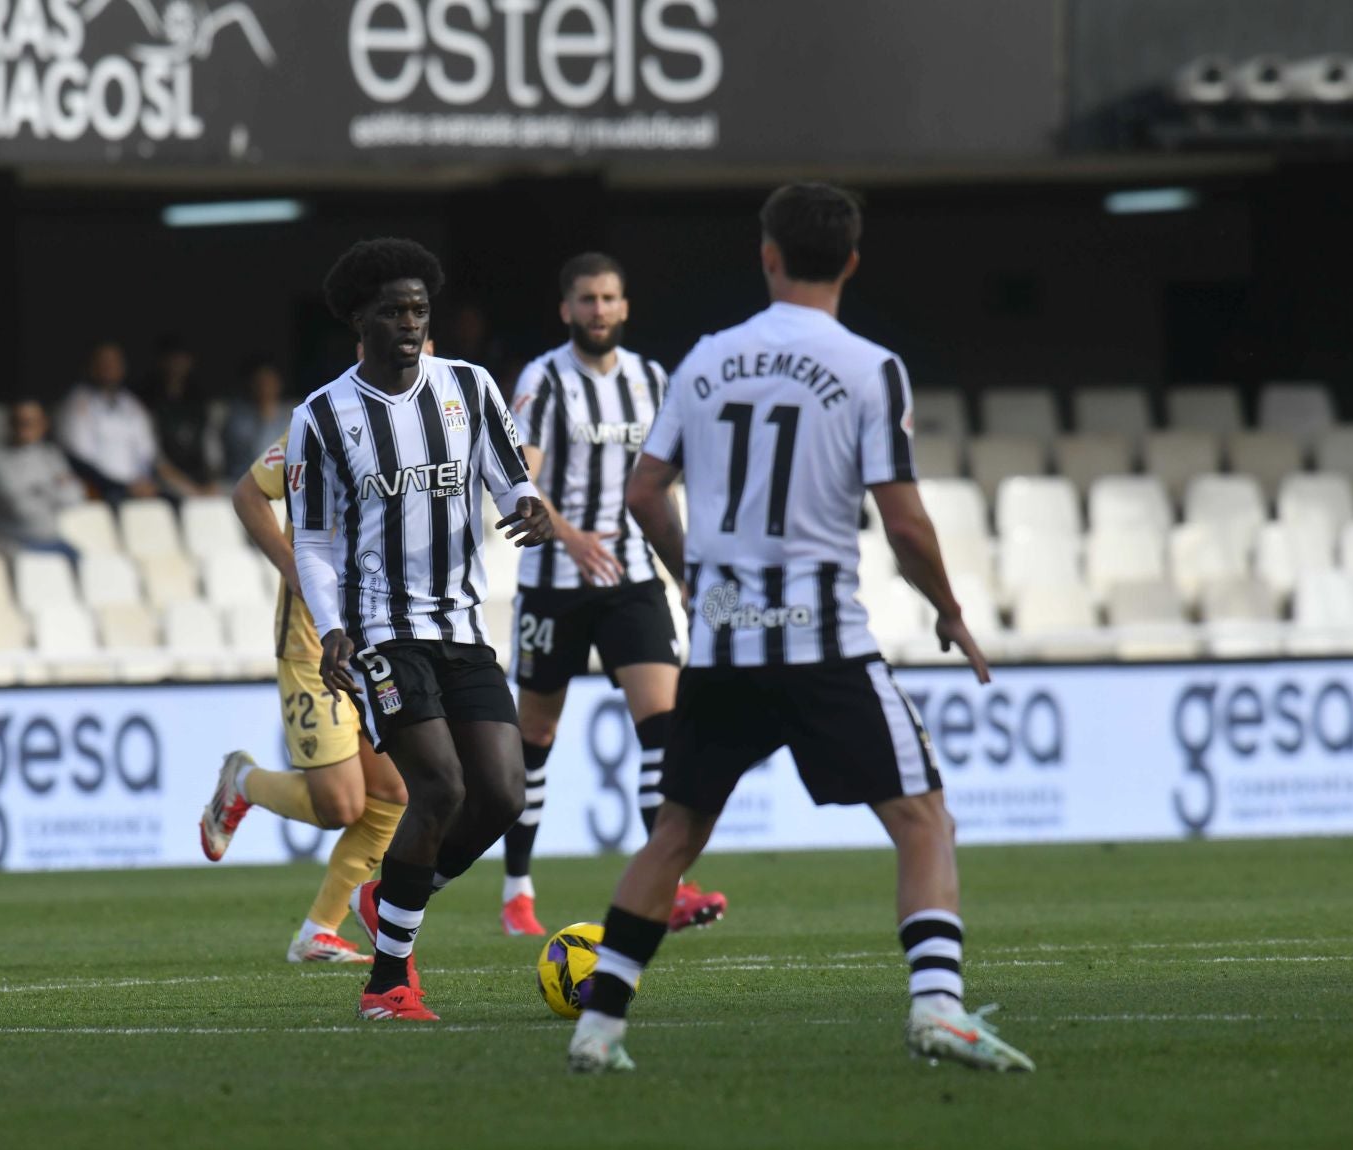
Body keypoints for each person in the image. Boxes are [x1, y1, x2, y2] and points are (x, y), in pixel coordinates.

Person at [566, 183, 1034, 1075]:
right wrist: (949, 608)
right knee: (923, 817)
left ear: (768, 254)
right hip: (823, 643)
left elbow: (641, 494)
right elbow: (901, 523)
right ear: (852, 262)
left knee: (675, 832)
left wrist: (696, 574)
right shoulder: (869, 367)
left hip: (728, 641)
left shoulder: (704, 360)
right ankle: (937, 1007)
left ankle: (600, 1026)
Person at [284, 237, 551, 1021]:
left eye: (420, 310)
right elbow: (315, 540)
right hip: (379, 631)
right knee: (437, 786)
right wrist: (332, 628)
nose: (410, 323)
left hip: (462, 626)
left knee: (501, 795)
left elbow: (510, 477)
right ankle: (387, 984)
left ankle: (391, 894)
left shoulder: (468, 387)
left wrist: (528, 505)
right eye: (394, 310)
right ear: (358, 320)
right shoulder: (323, 417)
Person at [501, 252, 726, 938]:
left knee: (662, 726)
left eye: (609, 299)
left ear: (625, 307)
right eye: (586, 300)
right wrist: (568, 537)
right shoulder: (542, 379)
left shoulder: (653, 380)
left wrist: (685, 570)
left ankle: (670, 885)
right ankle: (517, 891)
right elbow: (520, 480)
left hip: (631, 578)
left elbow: (664, 481)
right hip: (554, 586)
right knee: (535, 736)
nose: (599, 310)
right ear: (565, 309)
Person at [198, 435, 409, 964]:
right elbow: (249, 493)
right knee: (341, 805)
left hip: (384, 639)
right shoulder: (317, 428)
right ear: (364, 346)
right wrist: (295, 569)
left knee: (392, 795)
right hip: (314, 645)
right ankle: (242, 780)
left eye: (426, 344)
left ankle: (318, 932)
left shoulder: (425, 423)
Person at [57, 341, 197, 501]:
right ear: (91, 366)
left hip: (141, 488)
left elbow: (149, 456)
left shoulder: (132, 404)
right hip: (102, 491)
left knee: (179, 504)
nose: (109, 367)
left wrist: (147, 483)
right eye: (103, 362)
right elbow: (81, 460)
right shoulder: (77, 402)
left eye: (114, 362)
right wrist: (123, 486)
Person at [0, 400, 88, 557]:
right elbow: (21, 509)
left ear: (44, 423)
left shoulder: (51, 454)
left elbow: (75, 498)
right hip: (16, 543)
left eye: (32, 422)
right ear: (10, 424)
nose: (25, 427)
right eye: (19, 422)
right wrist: (55, 486)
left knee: (88, 565)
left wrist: (38, 490)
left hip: (53, 540)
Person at [142, 336, 222, 492]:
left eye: (181, 359)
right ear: (162, 362)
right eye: (172, 359)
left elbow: (212, 450)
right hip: (166, 480)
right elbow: (156, 459)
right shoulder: (149, 403)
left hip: (200, 478)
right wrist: (190, 489)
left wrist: (210, 481)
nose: (177, 365)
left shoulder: (199, 401)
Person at [219, 358, 291, 481]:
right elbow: (260, 455)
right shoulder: (238, 418)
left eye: (270, 381)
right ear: (251, 385)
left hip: (283, 484)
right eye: (260, 382)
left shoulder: (291, 415)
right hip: (241, 484)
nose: (265, 387)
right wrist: (265, 415)